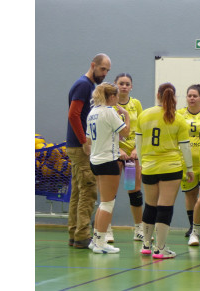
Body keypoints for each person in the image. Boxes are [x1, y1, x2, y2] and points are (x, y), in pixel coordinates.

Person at [136, 83, 194, 259]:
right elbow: (185, 148)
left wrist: (142, 164)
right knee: (165, 207)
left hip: (149, 167)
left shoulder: (144, 115)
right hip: (170, 167)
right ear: (174, 97)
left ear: (157, 95)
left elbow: (138, 144)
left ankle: (146, 245)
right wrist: (190, 168)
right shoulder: (178, 118)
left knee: (150, 205)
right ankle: (160, 249)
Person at [66, 53, 111, 249]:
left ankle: (75, 232)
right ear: (93, 65)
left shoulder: (88, 86)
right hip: (80, 146)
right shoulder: (83, 85)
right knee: (88, 191)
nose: (104, 73)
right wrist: (84, 141)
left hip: (76, 145)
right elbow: (73, 114)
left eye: (107, 70)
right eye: (102, 69)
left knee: (78, 191)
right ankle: (83, 234)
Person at [85, 82, 130, 254]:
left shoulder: (92, 113)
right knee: (107, 203)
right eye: (116, 96)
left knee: (103, 202)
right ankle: (100, 243)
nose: (118, 99)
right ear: (111, 97)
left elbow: (88, 140)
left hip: (95, 160)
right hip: (108, 161)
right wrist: (125, 114)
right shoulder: (109, 112)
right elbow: (126, 132)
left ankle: (96, 239)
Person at [103, 73, 145, 243]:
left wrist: (136, 149)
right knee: (110, 194)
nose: (124, 86)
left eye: (127, 83)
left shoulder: (136, 104)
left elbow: (142, 129)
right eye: (121, 83)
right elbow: (106, 130)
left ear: (131, 87)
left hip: (131, 156)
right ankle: (106, 229)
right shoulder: (109, 106)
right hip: (114, 153)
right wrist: (117, 148)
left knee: (133, 191)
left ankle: (139, 228)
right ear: (115, 85)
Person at [177, 84, 200, 237]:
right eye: (189, 95)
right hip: (186, 161)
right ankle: (192, 227)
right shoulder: (179, 114)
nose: (191, 98)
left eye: (195, 96)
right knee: (190, 195)